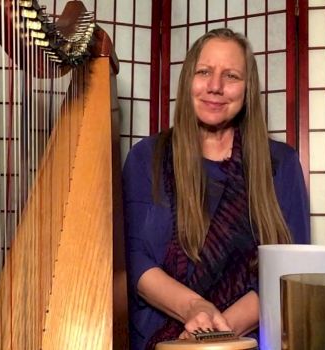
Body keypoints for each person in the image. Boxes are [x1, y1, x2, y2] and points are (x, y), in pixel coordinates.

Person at [122, 28, 310, 350]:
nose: (215, 87)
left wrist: (214, 335)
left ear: (247, 88)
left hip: (246, 341)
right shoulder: (146, 158)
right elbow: (134, 258)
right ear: (188, 81)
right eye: (204, 72)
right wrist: (193, 308)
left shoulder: (281, 163)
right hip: (159, 341)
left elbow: (291, 272)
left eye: (231, 76)